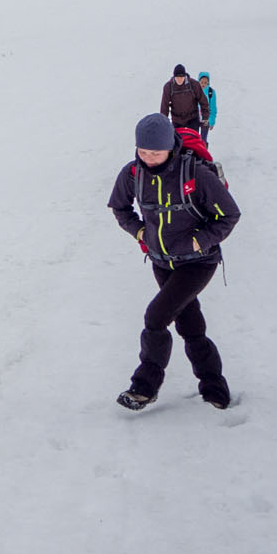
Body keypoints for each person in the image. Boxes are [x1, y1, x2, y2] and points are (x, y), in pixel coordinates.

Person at [106, 113, 240, 410]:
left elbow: (230, 214)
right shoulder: (132, 174)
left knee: (155, 317)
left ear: (170, 147)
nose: (149, 158)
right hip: (162, 262)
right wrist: (139, 230)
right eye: (143, 151)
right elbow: (119, 207)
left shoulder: (196, 175)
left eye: (156, 152)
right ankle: (215, 388)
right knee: (190, 324)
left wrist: (200, 240)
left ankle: (144, 387)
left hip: (197, 263)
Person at [161, 63, 210, 132]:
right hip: (177, 120)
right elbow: (164, 106)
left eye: (181, 77)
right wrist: (163, 123)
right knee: (178, 141)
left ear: (185, 76)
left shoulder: (194, 84)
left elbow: (203, 101)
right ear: (174, 77)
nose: (179, 80)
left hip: (192, 118)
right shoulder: (168, 87)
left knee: (192, 140)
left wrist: (205, 118)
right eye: (177, 77)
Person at [198, 71, 218, 140]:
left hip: (206, 119)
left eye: (205, 82)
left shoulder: (211, 92)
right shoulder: (195, 91)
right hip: (195, 119)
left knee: (203, 138)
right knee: (194, 138)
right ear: (199, 81)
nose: (203, 84)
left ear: (208, 83)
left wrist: (212, 121)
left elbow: (213, 108)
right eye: (202, 82)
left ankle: (203, 149)